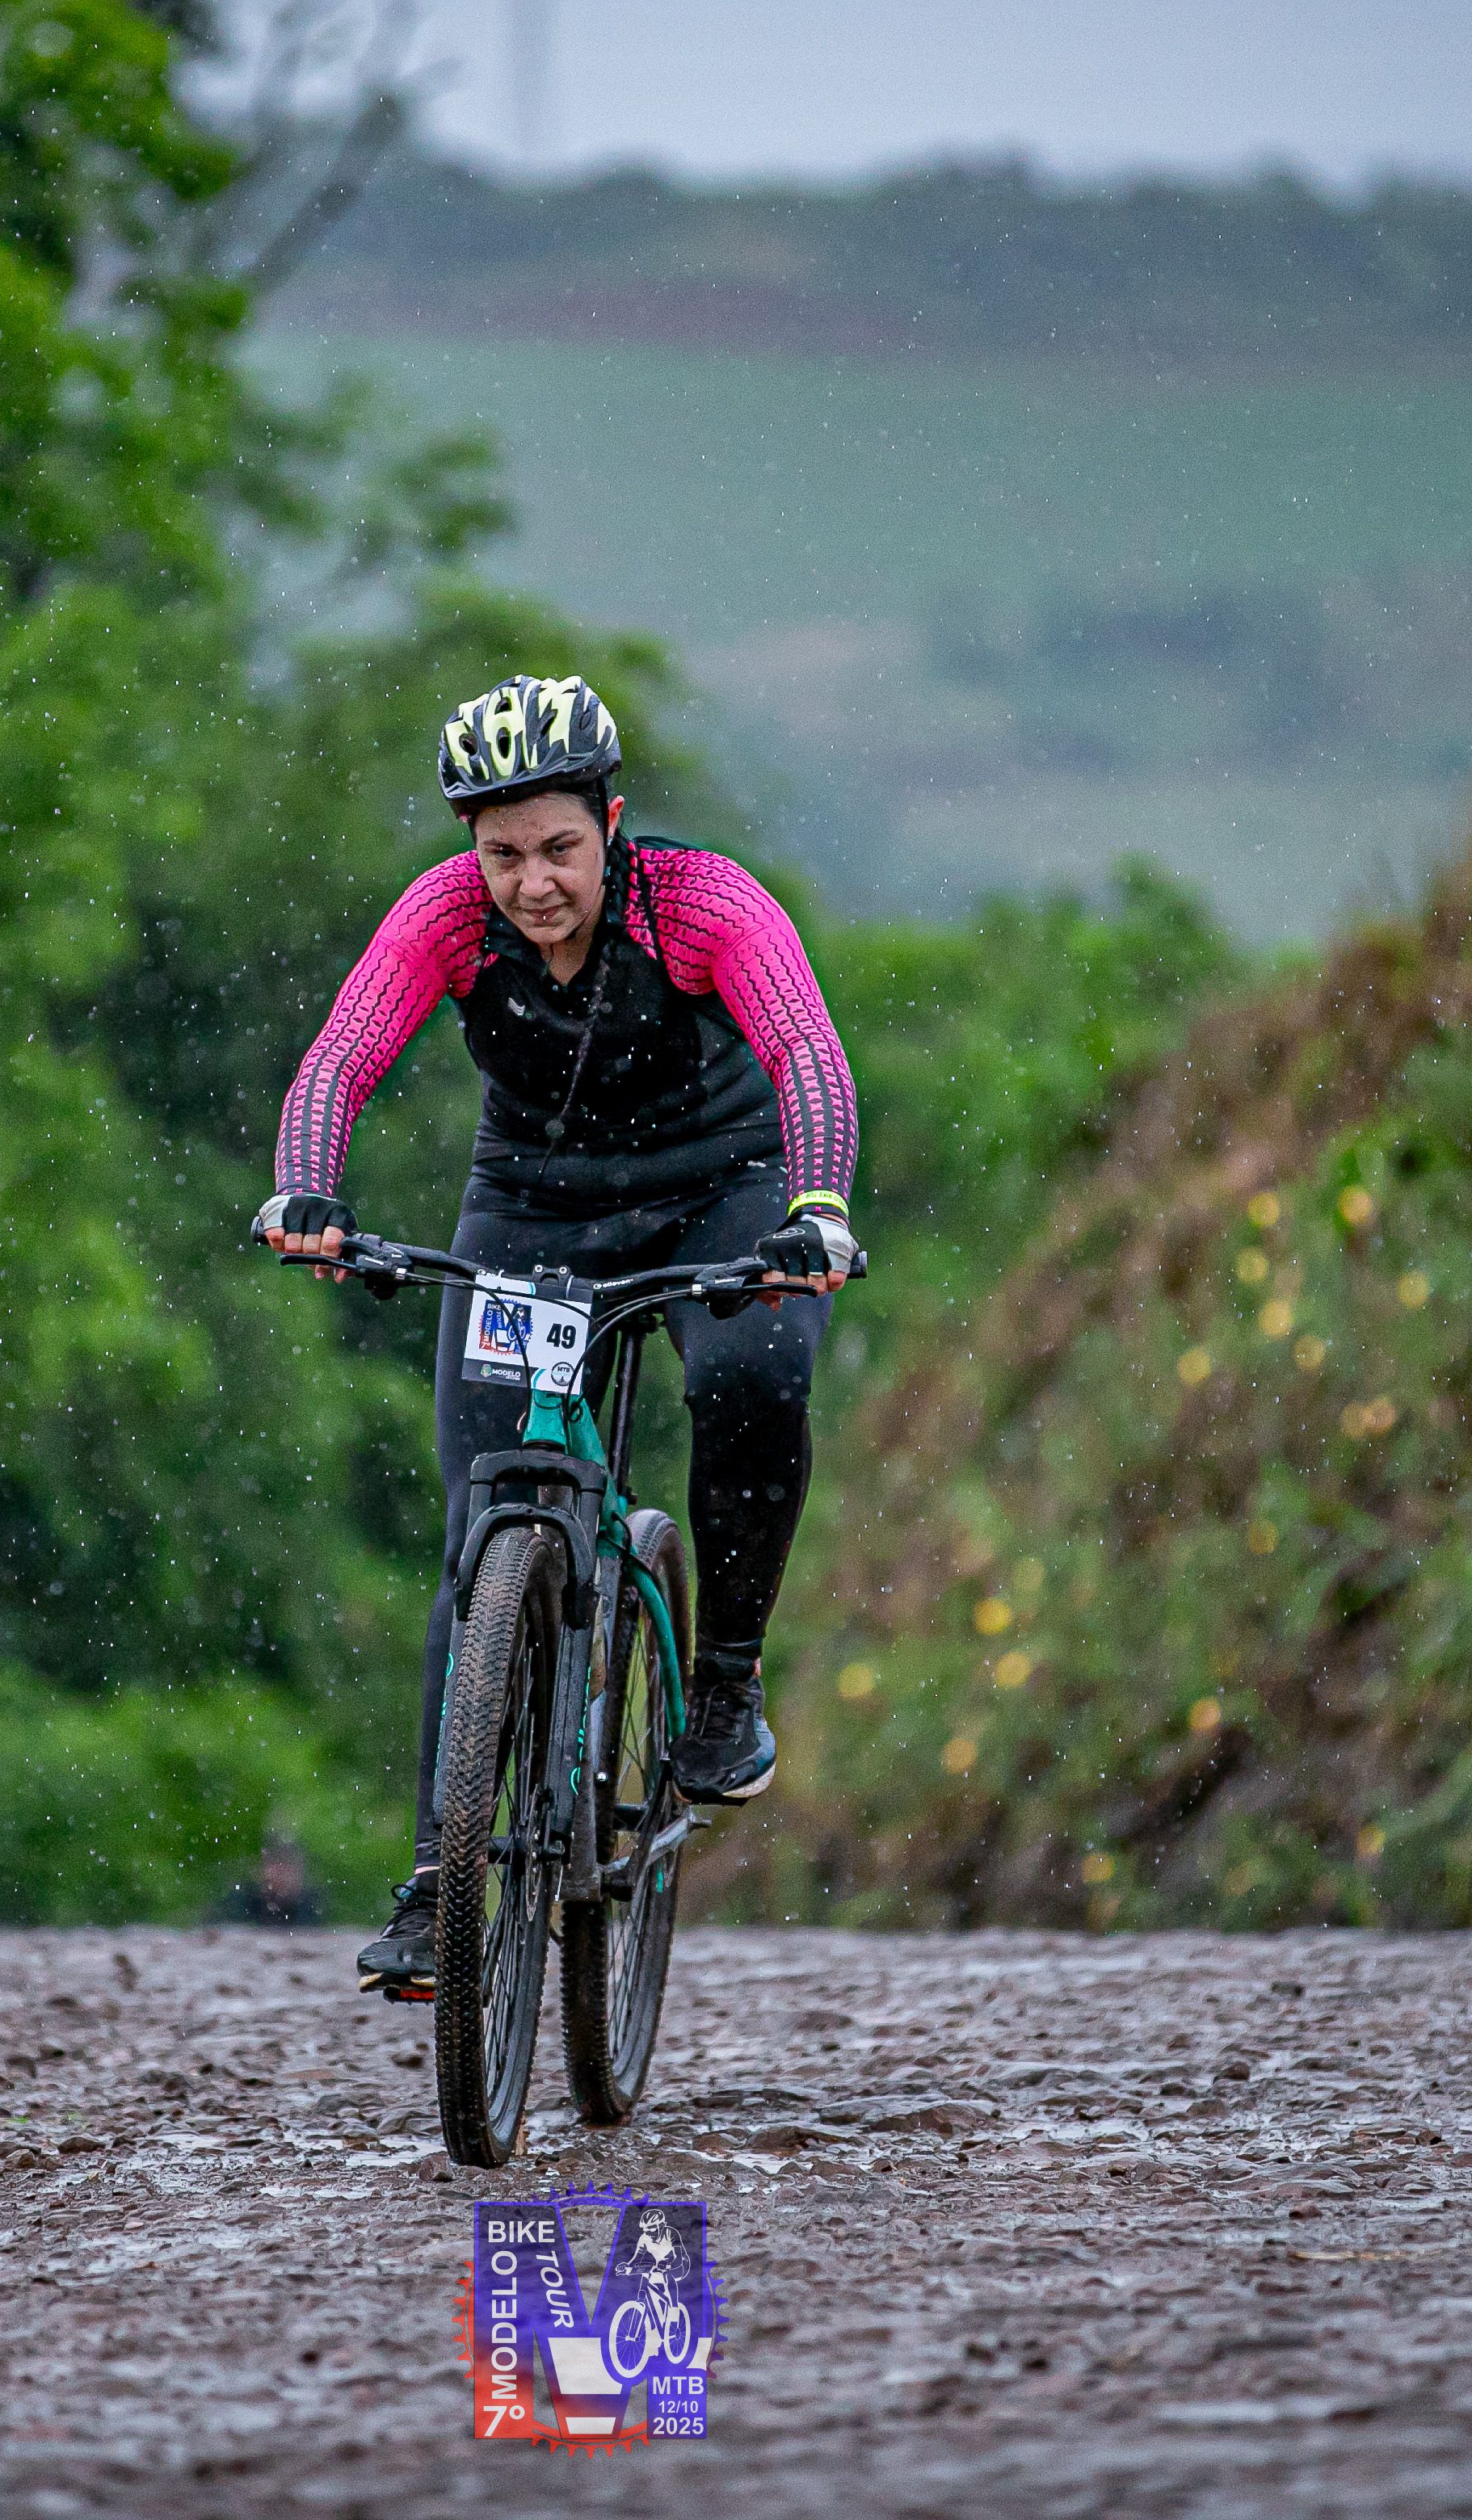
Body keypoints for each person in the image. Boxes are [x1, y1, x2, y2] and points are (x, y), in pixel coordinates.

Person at [250, 674, 860, 1997]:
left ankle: (725, 1685)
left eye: (560, 848)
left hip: (721, 1188)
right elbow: (342, 1054)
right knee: (482, 1525)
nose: (533, 883)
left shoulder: (701, 903)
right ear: (472, 849)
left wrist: (815, 1210)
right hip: (537, 1209)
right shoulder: (445, 915)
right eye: (504, 853)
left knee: (754, 1376)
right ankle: (440, 1880)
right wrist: (306, 1186)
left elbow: (809, 1056)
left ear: (612, 824)